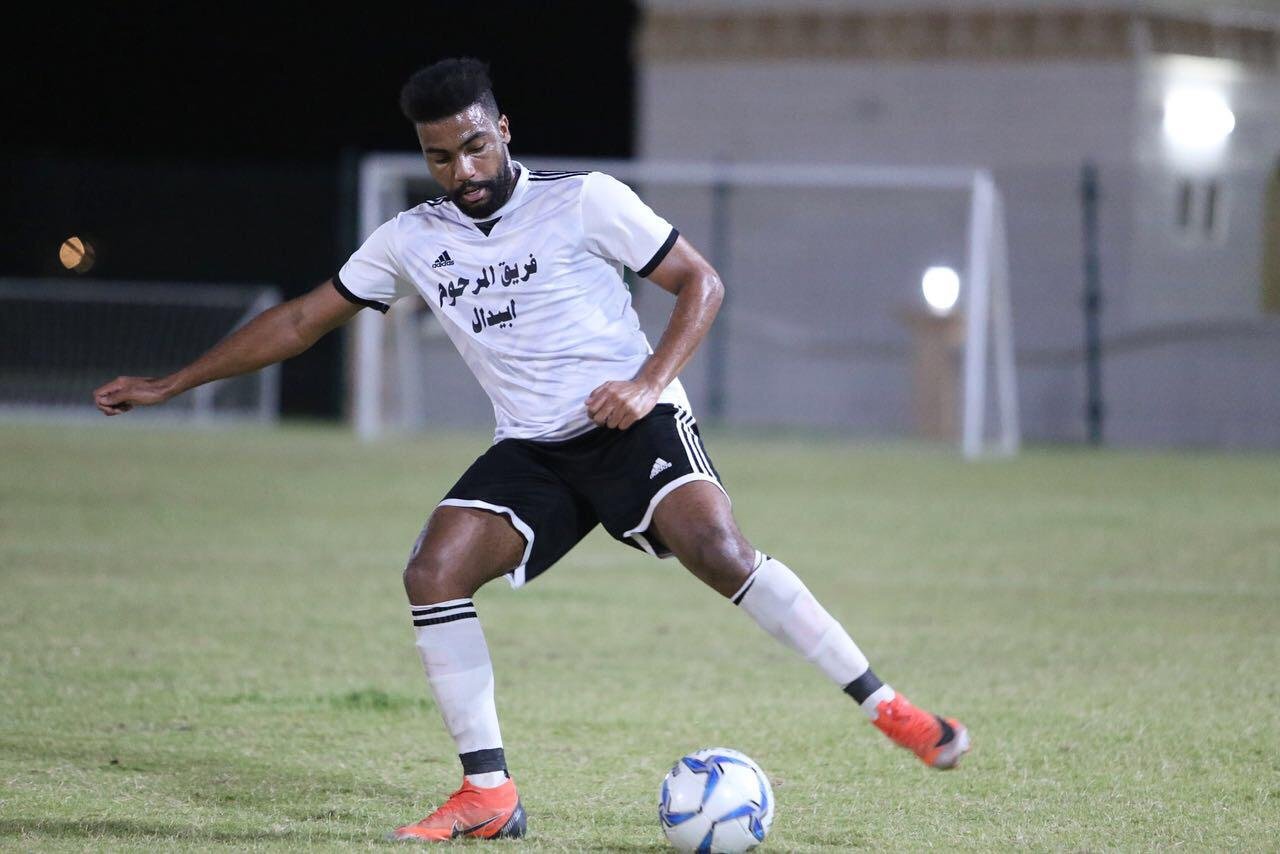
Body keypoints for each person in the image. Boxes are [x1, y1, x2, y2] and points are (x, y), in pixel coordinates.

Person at [94, 57, 969, 843]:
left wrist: (647, 383)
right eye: (441, 158)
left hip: (633, 425)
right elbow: (298, 321)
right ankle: (489, 794)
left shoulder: (584, 200)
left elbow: (700, 282)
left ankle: (890, 709)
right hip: (534, 450)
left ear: (503, 129)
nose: (463, 172)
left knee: (720, 551)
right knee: (433, 571)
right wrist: (172, 384)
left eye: (475, 147)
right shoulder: (411, 238)